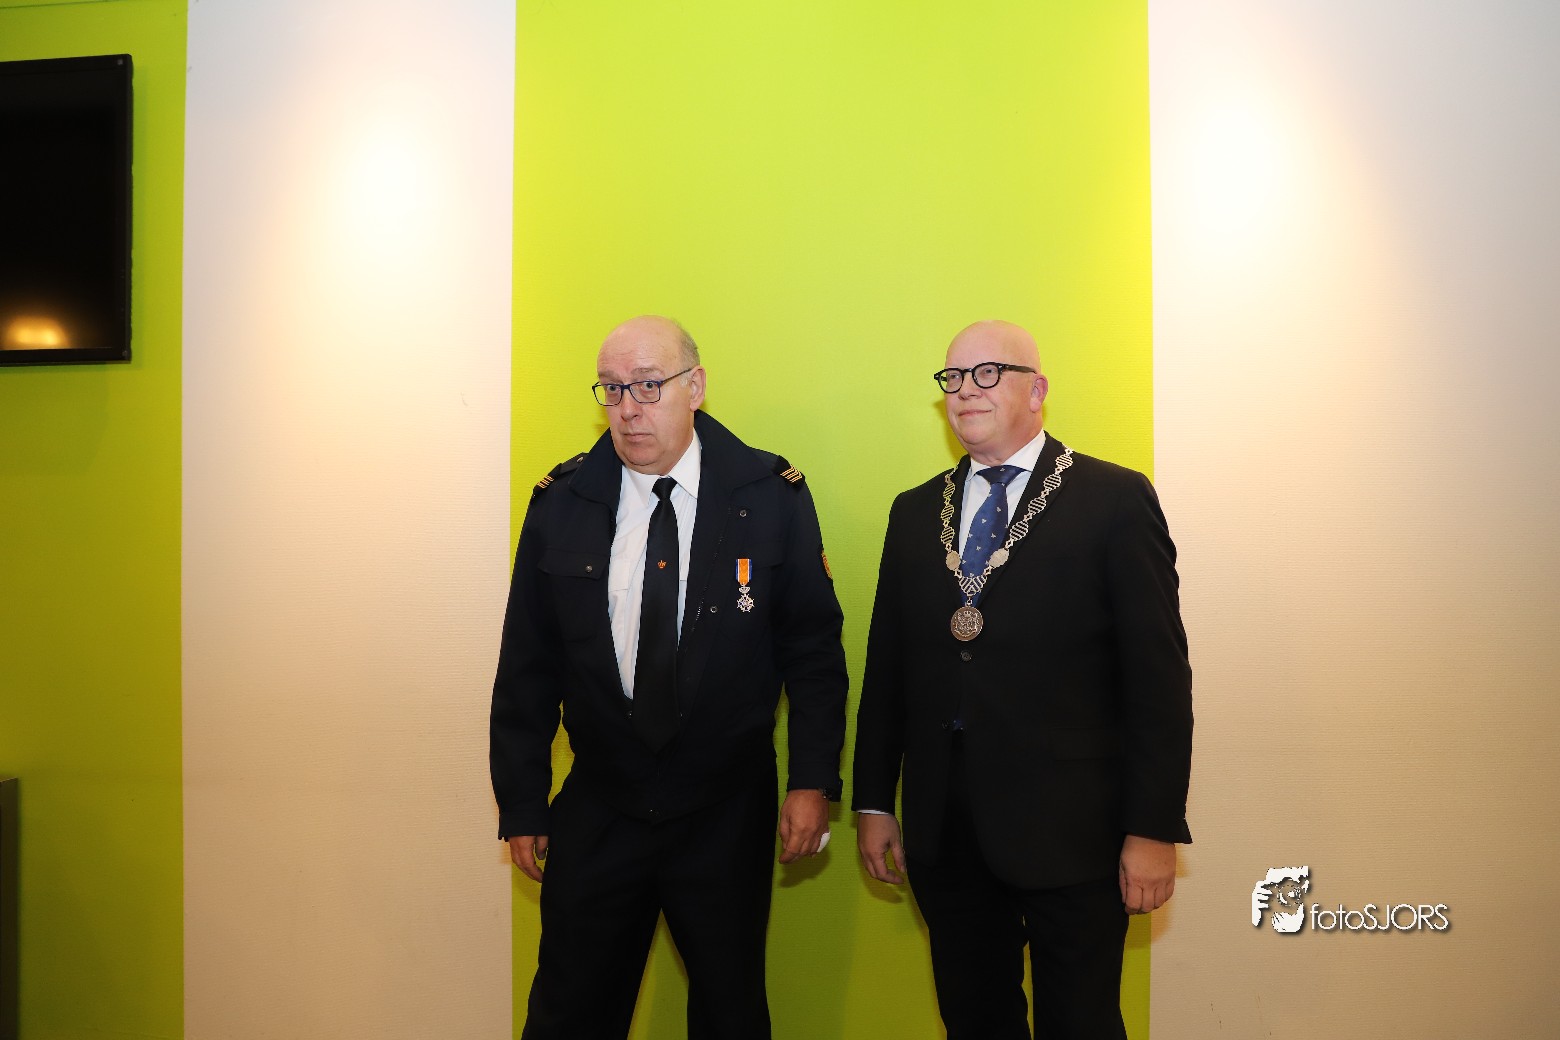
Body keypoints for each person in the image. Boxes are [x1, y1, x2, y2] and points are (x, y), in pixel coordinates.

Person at [490, 315, 847, 1040]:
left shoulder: (768, 496)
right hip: (602, 798)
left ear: (696, 387)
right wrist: (522, 802)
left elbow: (813, 653)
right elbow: (527, 664)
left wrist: (812, 782)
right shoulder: (563, 502)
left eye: (649, 385)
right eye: (612, 388)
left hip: (725, 804)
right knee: (568, 1010)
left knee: (729, 1010)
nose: (628, 408)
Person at [852, 320, 1193, 1039]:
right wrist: (876, 801)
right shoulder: (914, 511)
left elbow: (1158, 682)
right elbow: (888, 669)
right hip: (948, 834)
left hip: (1077, 833)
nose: (965, 391)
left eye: (987, 374)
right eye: (953, 378)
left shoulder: (1113, 499)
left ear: (1036, 391)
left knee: (1081, 1024)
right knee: (974, 1020)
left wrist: (1153, 829)